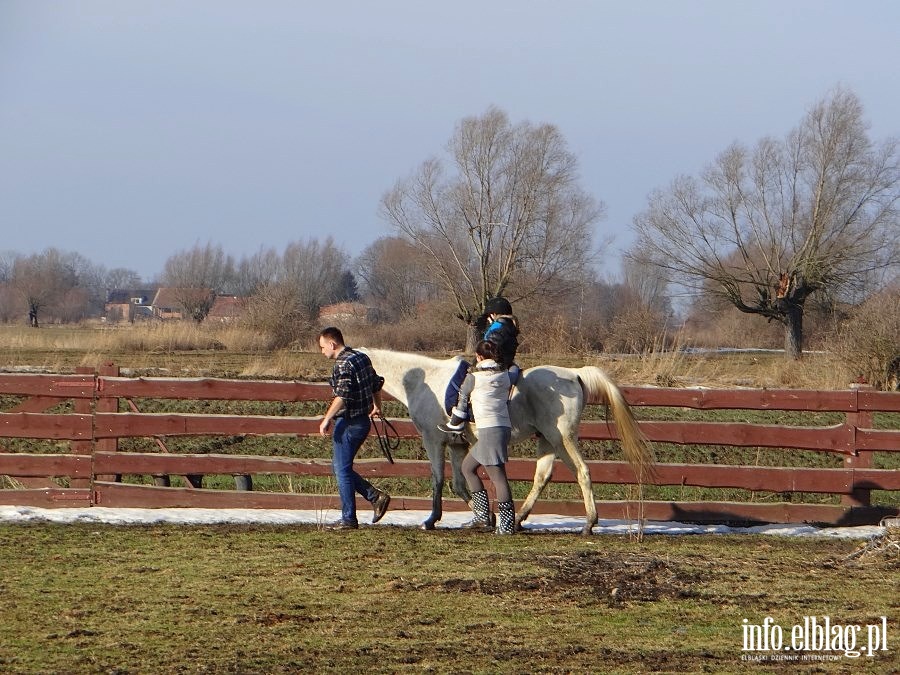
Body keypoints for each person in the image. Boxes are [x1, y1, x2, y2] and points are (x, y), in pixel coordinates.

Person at [318, 326, 391, 530]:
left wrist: (326, 419)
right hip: (363, 422)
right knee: (341, 468)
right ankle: (374, 496)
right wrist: (377, 406)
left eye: (323, 347)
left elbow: (342, 396)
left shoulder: (342, 364)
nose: (322, 351)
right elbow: (376, 383)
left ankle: (349, 518)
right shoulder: (361, 357)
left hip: (348, 422)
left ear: (332, 344)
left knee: (341, 470)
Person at [458, 340, 516, 534]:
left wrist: (454, 422)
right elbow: (516, 370)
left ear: (479, 357)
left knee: (498, 476)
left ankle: (506, 525)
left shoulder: (473, 378)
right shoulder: (506, 375)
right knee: (467, 467)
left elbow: (461, 399)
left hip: (489, 430)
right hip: (501, 428)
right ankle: (482, 517)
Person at [440, 296, 520, 433]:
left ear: (494, 314)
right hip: (507, 364)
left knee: (463, 374)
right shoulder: (510, 326)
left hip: (494, 365)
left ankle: (459, 415)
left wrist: (475, 362)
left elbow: (488, 348)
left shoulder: (498, 327)